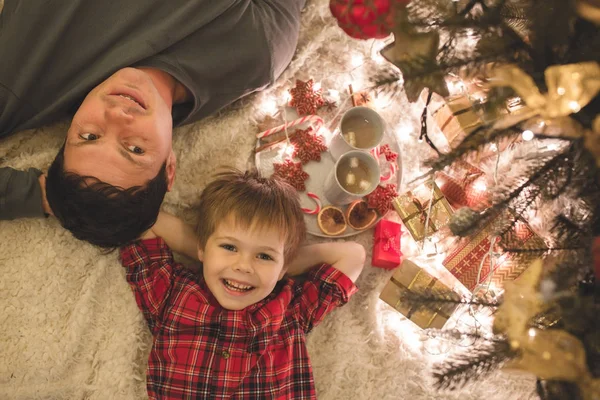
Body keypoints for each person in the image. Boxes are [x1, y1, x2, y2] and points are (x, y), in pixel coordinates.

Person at [0, 0, 305, 248]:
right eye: (134, 148)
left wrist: (55, 197)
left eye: (90, 136)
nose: (118, 116)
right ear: (169, 167)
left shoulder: (20, 80)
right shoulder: (257, 53)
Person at [120, 168, 366, 399]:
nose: (244, 266)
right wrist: (206, 253)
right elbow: (144, 221)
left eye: (264, 256)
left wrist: (281, 265)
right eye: (229, 247)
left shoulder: (291, 307)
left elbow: (353, 255)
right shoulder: (171, 293)